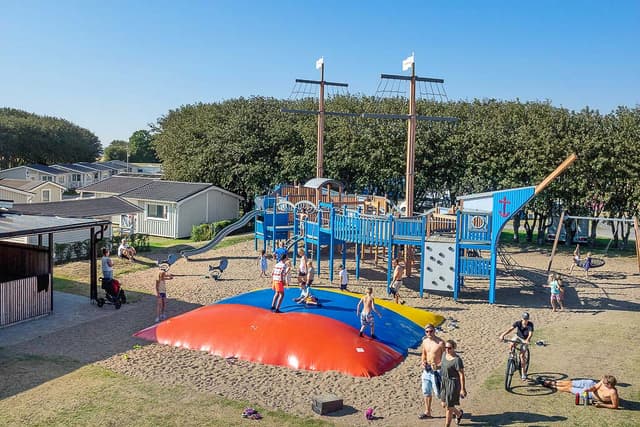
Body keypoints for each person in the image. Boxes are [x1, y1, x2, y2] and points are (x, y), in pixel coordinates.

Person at [543, 375, 619, 409]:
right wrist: (589, 389)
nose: (603, 382)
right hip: (590, 385)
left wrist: (602, 405)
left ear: (609, 385)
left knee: (570, 389)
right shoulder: (603, 381)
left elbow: (615, 406)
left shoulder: (613, 392)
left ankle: (553, 386)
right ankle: (554, 382)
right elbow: (596, 387)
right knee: (571, 383)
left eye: (605, 383)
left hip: (591, 395)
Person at [419, 324, 445, 420]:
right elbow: (424, 353)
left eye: (431, 331)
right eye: (427, 331)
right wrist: (423, 362)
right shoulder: (425, 341)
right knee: (426, 391)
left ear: (434, 331)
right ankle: (428, 412)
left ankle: (454, 411)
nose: (429, 333)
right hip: (427, 370)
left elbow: (446, 358)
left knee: (439, 394)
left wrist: (438, 366)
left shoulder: (441, 343)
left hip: (437, 371)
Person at [500, 312, 534, 381]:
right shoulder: (518, 323)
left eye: (527, 319)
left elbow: (530, 334)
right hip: (518, 336)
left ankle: (523, 373)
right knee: (511, 344)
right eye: (524, 319)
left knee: (522, 356)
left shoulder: (530, 325)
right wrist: (503, 335)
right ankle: (512, 358)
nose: (525, 320)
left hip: (525, 339)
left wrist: (527, 340)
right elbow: (510, 329)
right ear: (522, 318)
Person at [440, 339, 467, 426]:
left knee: (449, 408)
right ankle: (459, 413)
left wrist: (463, 389)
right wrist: (436, 366)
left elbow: (461, 375)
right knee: (444, 404)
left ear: (454, 348)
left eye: (449, 348)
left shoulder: (457, 360)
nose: (447, 349)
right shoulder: (444, 354)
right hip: (444, 382)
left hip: (453, 384)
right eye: (446, 347)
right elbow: (442, 364)